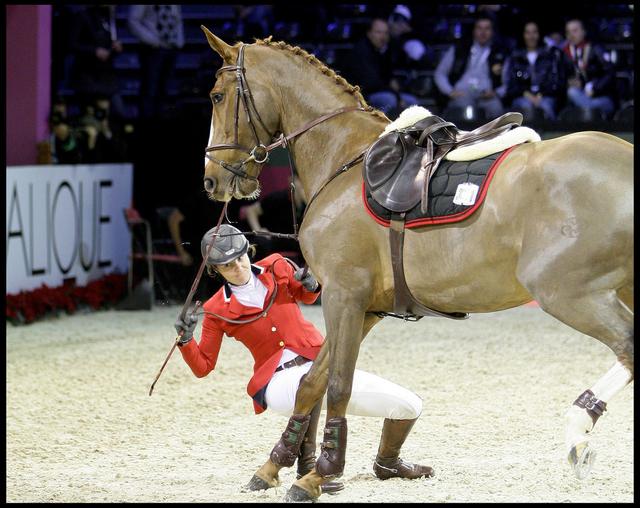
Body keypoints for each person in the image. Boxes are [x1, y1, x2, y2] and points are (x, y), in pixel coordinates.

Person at [174, 224, 434, 493]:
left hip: (321, 363)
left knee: (409, 405)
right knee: (310, 383)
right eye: (227, 265)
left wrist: (311, 284)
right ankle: (312, 465)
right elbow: (203, 366)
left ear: (248, 251)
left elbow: (308, 296)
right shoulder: (216, 309)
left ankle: (387, 462)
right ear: (215, 270)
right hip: (277, 382)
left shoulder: (276, 265)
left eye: (241, 257)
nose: (238, 267)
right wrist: (185, 339)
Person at [339, 18, 419, 116]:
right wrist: (396, 95)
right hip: (360, 95)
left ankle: (407, 130)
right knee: (390, 100)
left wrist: (396, 91)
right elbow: (372, 84)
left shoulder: (384, 50)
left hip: (381, 90)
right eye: (379, 32)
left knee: (412, 102)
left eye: (386, 33)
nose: (383, 37)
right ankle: (381, 129)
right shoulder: (361, 51)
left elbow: (389, 78)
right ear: (369, 33)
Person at [434, 13, 507, 120]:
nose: (483, 32)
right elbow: (440, 74)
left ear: (492, 32)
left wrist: (496, 93)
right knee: (465, 109)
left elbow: (508, 82)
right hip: (462, 94)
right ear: (474, 31)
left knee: (497, 109)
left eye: (487, 29)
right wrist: (450, 91)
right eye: (479, 28)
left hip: (487, 96)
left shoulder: (500, 53)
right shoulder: (459, 49)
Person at [68, 5, 126, 119]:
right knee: (89, 117)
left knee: (118, 111)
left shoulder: (109, 17)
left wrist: (116, 48)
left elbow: (109, 44)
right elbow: (71, 44)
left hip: (106, 75)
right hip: (87, 75)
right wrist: (94, 51)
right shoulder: (82, 16)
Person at [128, 5, 185, 119]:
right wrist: (151, 40)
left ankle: (160, 125)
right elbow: (132, 20)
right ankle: (147, 126)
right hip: (152, 49)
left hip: (171, 47)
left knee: (164, 90)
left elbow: (177, 18)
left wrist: (179, 40)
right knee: (150, 89)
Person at [503, 21, 568, 121]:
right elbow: (510, 84)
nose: (531, 36)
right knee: (525, 107)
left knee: (546, 106)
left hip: (545, 96)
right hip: (522, 96)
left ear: (539, 34)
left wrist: (541, 94)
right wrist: (527, 94)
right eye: (527, 33)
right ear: (523, 35)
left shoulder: (549, 56)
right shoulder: (514, 57)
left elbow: (555, 82)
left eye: (534, 32)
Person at [240, 175, 305, 263]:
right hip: (270, 238)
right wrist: (258, 230)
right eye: (301, 182)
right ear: (293, 181)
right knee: (261, 243)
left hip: (291, 242)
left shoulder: (309, 206)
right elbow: (251, 211)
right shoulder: (278, 198)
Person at [562, 19, 616, 118]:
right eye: (568, 32)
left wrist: (594, 88)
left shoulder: (595, 49)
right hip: (579, 96)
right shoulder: (564, 53)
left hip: (601, 97)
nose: (571, 35)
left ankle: (589, 112)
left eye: (575, 31)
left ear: (583, 32)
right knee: (572, 92)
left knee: (574, 95)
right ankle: (588, 112)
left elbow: (610, 73)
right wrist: (569, 82)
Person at [387, 5, 434, 70]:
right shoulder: (383, 37)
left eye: (402, 22)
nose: (397, 26)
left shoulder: (412, 43)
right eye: (396, 21)